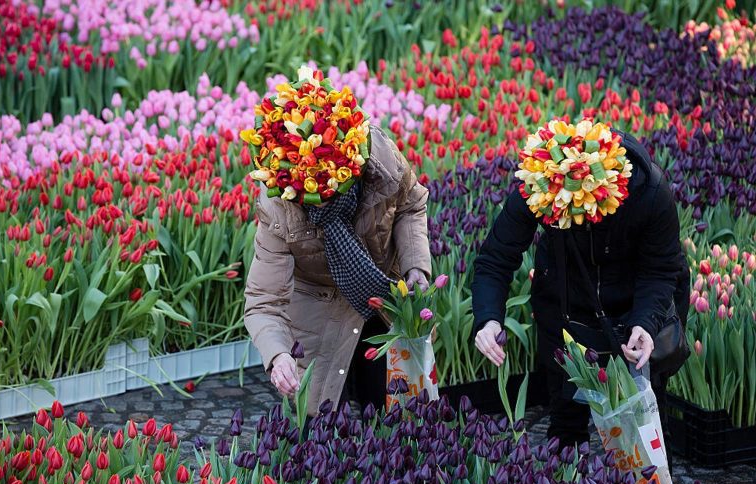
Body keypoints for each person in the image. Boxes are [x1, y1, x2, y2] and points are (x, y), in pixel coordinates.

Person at [471, 125, 689, 449]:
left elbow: (660, 271)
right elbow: (495, 258)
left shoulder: (649, 192)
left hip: (633, 309)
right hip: (564, 308)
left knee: (646, 431)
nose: (578, 220)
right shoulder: (543, 183)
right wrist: (489, 318)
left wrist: (644, 322)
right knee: (566, 427)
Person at [243, 68, 431, 415]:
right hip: (317, 313)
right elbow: (263, 300)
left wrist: (416, 267)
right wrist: (278, 355)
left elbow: (411, 205)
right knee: (322, 431)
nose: (319, 199)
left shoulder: (381, 163)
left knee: (398, 422)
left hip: (384, 300)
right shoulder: (280, 205)